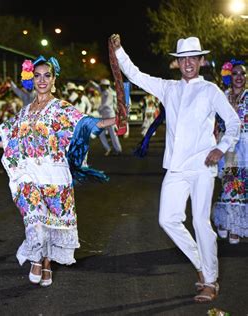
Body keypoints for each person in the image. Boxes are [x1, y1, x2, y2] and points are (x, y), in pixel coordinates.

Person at [0, 56, 115, 287]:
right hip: (27, 175)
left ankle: (46, 263)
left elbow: (89, 124)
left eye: (47, 75)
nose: (42, 80)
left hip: (54, 177)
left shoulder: (62, 108)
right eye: (37, 75)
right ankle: (34, 258)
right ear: (32, 79)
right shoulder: (24, 112)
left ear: (54, 80)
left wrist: (116, 119)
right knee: (35, 219)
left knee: (50, 223)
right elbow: (8, 141)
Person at [110, 34, 240, 302]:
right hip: (176, 168)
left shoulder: (210, 90)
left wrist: (221, 147)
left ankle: (210, 281)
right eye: (183, 59)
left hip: (203, 165)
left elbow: (233, 122)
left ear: (201, 61)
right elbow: (135, 75)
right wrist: (119, 52)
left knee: (200, 222)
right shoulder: (168, 88)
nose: (188, 63)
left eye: (193, 58)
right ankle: (202, 266)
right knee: (167, 219)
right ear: (177, 63)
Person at [213, 60, 247, 244]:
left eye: (242, 73)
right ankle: (225, 223)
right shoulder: (222, 96)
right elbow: (217, 123)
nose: (239, 77)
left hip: (246, 148)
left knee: (241, 189)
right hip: (229, 148)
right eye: (235, 73)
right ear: (229, 76)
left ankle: (234, 226)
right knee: (231, 186)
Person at [91, 79, 123, 156]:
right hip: (105, 116)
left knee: (112, 134)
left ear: (106, 86)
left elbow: (106, 104)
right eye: (101, 86)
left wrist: (97, 109)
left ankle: (118, 150)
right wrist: (92, 82)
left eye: (102, 86)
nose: (100, 87)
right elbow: (97, 87)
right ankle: (108, 148)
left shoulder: (109, 93)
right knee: (101, 133)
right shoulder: (104, 90)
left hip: (109, 116)